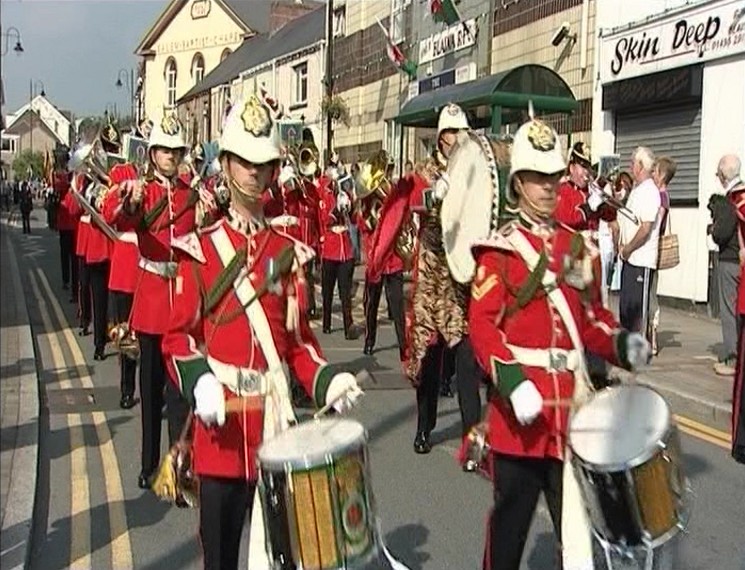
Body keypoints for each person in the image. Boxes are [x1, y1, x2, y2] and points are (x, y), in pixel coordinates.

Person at [161, 91, 362, 570]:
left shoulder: (287, 251)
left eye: (263, 163)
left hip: (275, 432)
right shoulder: (201, 250)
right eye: (244, 162)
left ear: (274, 170)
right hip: (221, 433)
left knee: (285, 557)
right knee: (222, 557)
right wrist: (200, 381)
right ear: (227, 165)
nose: (254, 172)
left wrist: (326, 378)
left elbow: (297, 343)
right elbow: (177, 339)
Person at [467, 115, 650, 570]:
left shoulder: (576, 248)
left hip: (571, 414)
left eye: (552, 176)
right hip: (519, 419)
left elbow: (590, 321)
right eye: (537, 178)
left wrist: (621, 344)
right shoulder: (500, 251)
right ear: (518, 184)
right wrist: (510, 381)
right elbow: (483, 327)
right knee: (509, 531)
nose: (548, 186)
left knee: (578, 536)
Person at [369, 103, 482, 461]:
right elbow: (411, 204)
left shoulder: (473, 169)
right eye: (453, 135)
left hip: (462, 275)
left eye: (463, 134)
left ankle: (471, 438)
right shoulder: (423, 171)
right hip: (433, 274)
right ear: (442, 137)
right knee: (430, 360)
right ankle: (424, 427)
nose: (458, 141)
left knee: (466, 361)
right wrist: (436, 195)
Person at [108, 113, 201, 490]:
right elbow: (122, 221)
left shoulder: (189, 192)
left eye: (175, 151)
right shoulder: (141, 191)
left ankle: (178, 467)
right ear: (152, 154)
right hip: (150, 297)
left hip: (179, 296)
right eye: (164, 150)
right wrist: (129, 204)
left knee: (180, 394)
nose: (170, 157)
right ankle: (148, 465)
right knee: (150, 392)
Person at [356, 151, 406, 358]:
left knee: (397, 307)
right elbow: (361, 223)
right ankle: (369, 341)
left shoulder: (394, 195)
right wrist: (371, 218)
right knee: (370, 305)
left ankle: (405, 346)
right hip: (375, 260)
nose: (386, 176)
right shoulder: (367, 200)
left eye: (389, 171)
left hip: (393, 260)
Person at [102, 162, 141, 408]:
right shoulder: (117, 183)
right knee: (126, 336)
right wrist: (120, 190)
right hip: (126, 269)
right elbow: (108, 214)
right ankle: (127, 389)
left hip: (146, 267)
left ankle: (148, 389)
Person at [618, 147, 662, 336]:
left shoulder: (650, 192)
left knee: (637, 309)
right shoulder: (637, 190)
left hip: (641, 259)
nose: (630, 167)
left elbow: (645, 228)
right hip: (629, 258)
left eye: (633, 163)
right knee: (626, 307)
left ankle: (638, 346)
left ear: (641, 166)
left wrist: (628, 248)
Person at [711, 155, 743, 376]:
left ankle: (733, 358)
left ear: (723, 175)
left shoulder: (730, 199)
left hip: (730, 260)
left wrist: (712, 229)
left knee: (729, 310)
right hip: (740, 260)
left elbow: (722, 233)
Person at [318, 161, 357, 337]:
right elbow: (324, 219)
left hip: (345, 249)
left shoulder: (347, 193)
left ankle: (348, 325)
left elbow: (354, 220)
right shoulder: (324, 194)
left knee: (345, 291)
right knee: (327, 291)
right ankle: (326, 323)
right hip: (329, 248)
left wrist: (350, 206)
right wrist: (336, 209)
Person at [649, 156, 676, 356]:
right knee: (651, 292)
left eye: (655, 171)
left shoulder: (660, 197)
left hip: (653, 249)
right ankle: (652, 336)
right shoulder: (662, 196)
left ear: (662, 175)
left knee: (650, 294)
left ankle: (652, 337)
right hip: (653, 249)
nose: (652, 175)